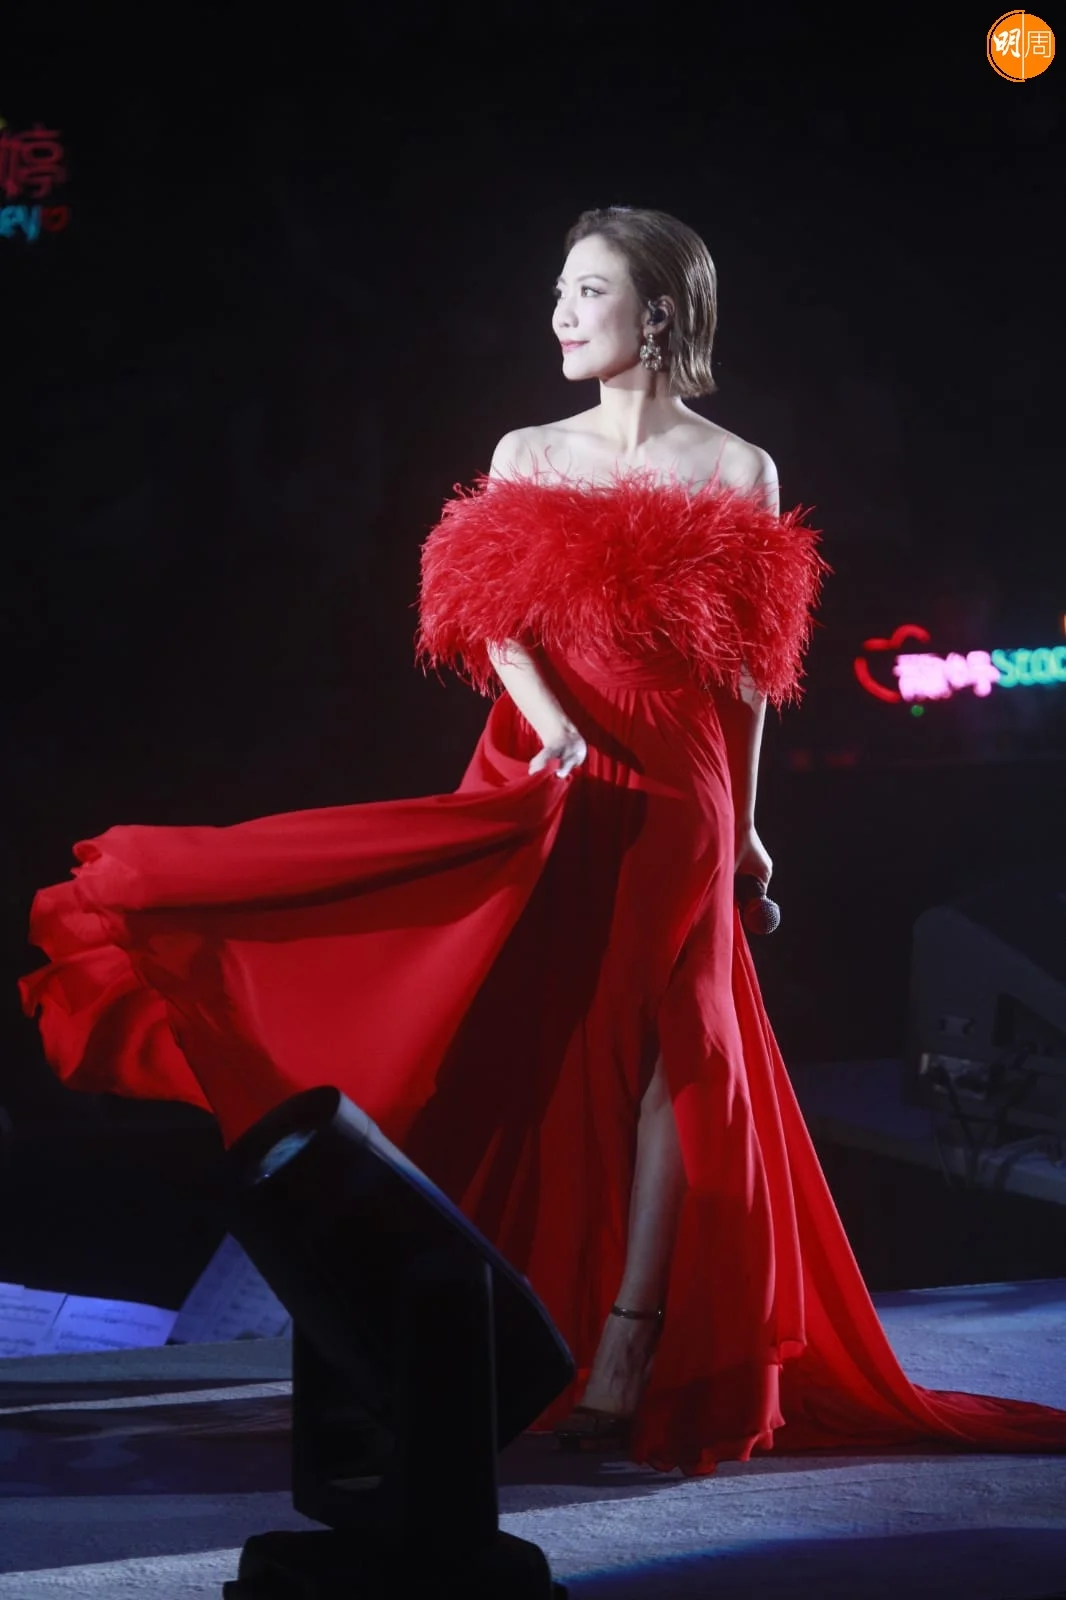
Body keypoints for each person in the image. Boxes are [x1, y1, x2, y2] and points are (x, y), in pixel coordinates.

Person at [20, 206, 1066, 1476]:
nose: (561, 315)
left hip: (678, 785)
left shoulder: (738, 469)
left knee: (683, 1042)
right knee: (527, 1029)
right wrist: (552, 722)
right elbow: (488, 616)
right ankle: (492, 1322)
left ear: (659, 312)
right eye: (558, 293)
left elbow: (747, 677)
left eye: (587, 291)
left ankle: (629, 1343)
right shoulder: (527, 450)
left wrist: (747, 826)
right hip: (551, 775)